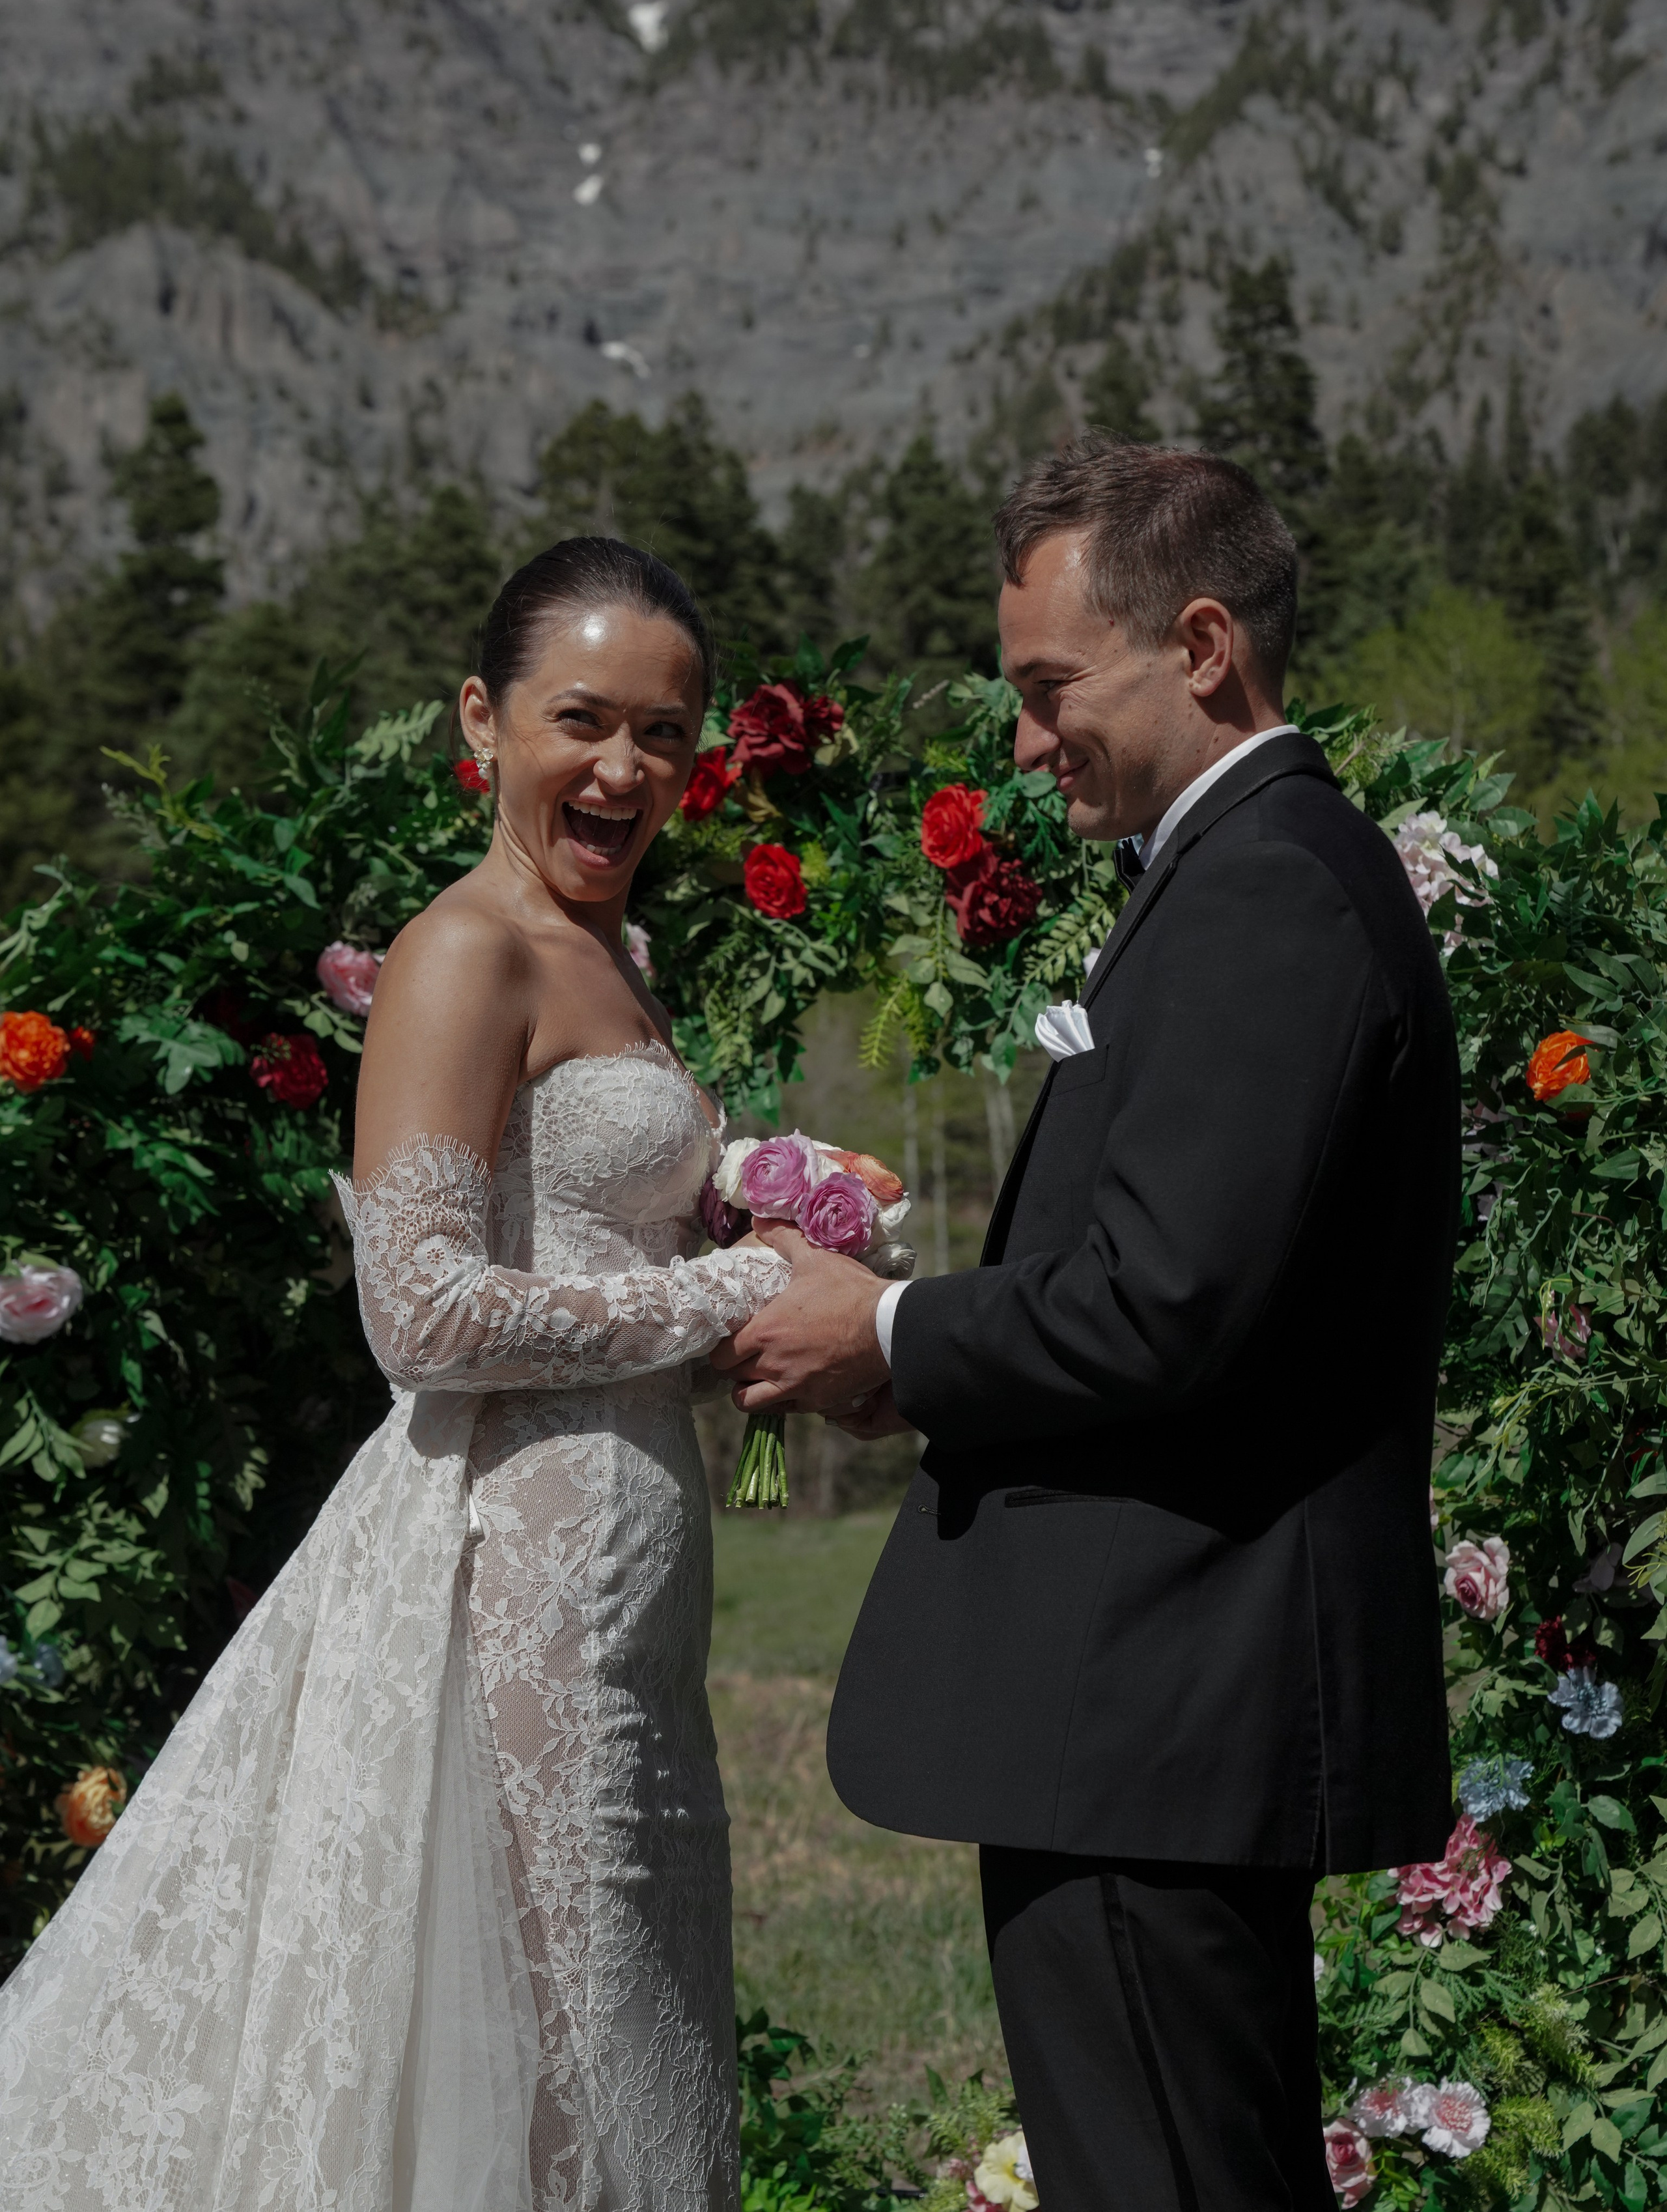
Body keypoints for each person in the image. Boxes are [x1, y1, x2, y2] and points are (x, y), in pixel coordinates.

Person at [713, 440, 1459, 2212]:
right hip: (1154, 1709)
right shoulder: (1242, 874)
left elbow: (1162, 1294)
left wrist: (891, 1328)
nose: (1030, 745)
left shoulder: (1270, 886)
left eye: (1053, 690)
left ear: (1203, 643)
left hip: (1156, 1706)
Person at [0, 538, 790, 2211]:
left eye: (666, 734)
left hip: (634, 1601)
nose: (626, 769)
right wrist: (735, 1280)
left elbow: (581, 1252)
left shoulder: (620, 962)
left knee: (632, 2054)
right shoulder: (464, 951)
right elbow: (419, 1313)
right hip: (519, 1586)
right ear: (480, 720)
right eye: (584, 719)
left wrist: (770, 1250)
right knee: (550, 2066)